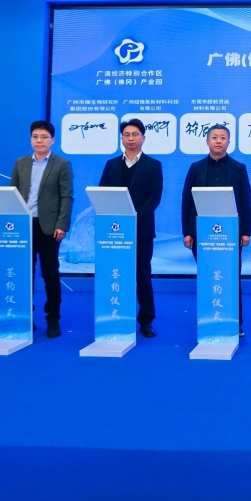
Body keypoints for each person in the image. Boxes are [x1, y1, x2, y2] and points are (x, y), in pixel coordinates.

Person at [180, 124, 251, 336]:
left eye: (222, 137)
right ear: (207, 141)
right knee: (207, 276)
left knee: (231, 277)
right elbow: (187, 202)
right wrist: (187, 232)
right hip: (201, 234)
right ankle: (209, 319)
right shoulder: (196, 168)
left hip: (231, 234)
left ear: (229, 142)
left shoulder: (239, 168)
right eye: (214, 137)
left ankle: (234, 323)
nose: (218, 141)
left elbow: (245, 202)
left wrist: (245, 231)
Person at [99, 118, 164, 338]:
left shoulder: (153, 165)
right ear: (121, 138)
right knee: (116, 273)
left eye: (135, 134)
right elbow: (103, 193)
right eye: (126, 134)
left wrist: (133, 217)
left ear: (143, 138)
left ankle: (146, 321)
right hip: (114, 231)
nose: (130, 138)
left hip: (141, 231)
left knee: (142, 276)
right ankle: (116, 316)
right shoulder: (111, 165)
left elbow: (154, 198)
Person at [9, 121, 73, 339]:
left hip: (49, 227)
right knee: (24, 274)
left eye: (44, 137)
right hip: (24, 226)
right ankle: (26, 316)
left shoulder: (62, 164)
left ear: (52, 140)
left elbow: (67, 196)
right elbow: (12, 193)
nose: (39, 140)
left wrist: (62, 224)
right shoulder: (20, 163)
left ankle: (53, 318)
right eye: (35, 136)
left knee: (50, 274)